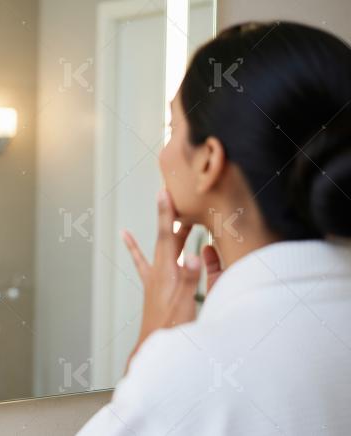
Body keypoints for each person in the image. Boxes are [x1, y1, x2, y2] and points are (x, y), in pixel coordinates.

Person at [80, 21, 351, 435]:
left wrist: (153, 344)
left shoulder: (187, 373)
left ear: (208, 161)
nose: (163, 153)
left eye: (172, 129)